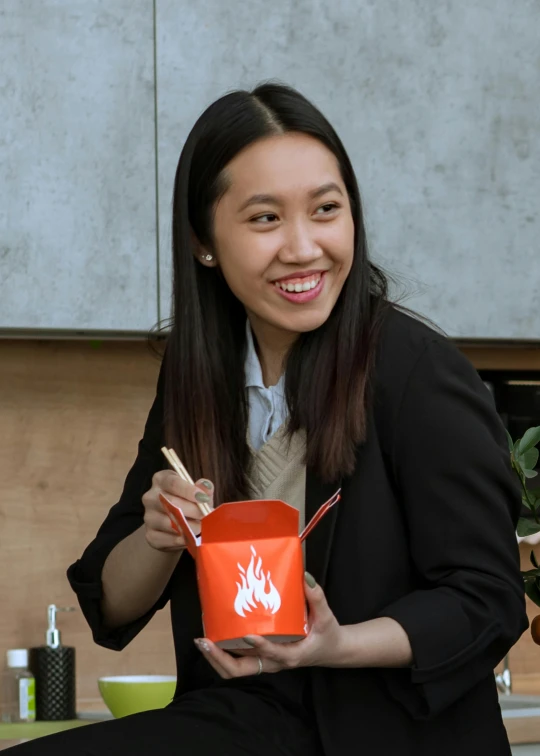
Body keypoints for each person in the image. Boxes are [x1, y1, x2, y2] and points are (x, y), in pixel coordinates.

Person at [8, 82, 528, 755]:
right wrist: (159, 538)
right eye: (264, 219)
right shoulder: (200, 378)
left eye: (326, 210)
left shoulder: (414, 373)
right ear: (204, 241)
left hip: (381, 732)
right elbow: (111, 603)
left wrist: (334, 645)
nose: (304, 247)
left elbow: (488, 601)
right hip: (242, 718)